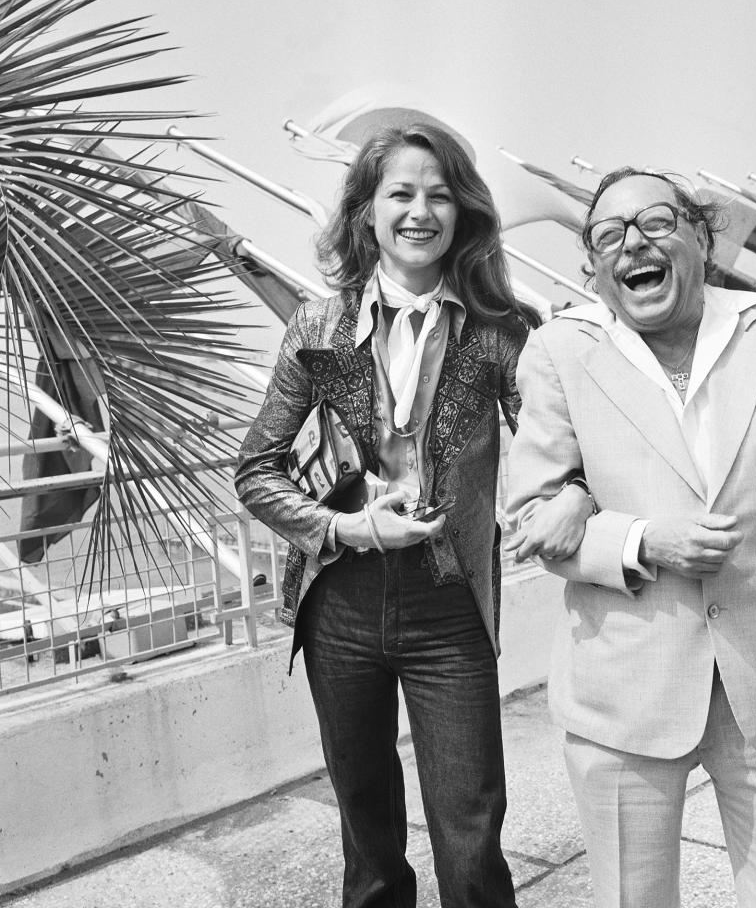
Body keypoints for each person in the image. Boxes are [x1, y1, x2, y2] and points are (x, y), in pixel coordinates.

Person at [235, 122, 591, 908]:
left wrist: (570, 496)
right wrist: (347, 526)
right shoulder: (317, 327)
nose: (420, 211)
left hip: (450, 605)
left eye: (439, 195)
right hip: (340, 607)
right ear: (367, 211)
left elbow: (563, 449)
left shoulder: (502, 331)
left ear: (463, 212)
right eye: (400, 193)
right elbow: (255, 472)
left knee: (471, 834)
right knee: (368, 843)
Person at [506, 168, 756, 908]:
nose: (632, 244)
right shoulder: (558, 353)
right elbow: (531, 520)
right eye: (607, 235)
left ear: (701, 237)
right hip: (621, 695)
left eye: (654, 223)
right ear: (594, 267)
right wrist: (645, 541)